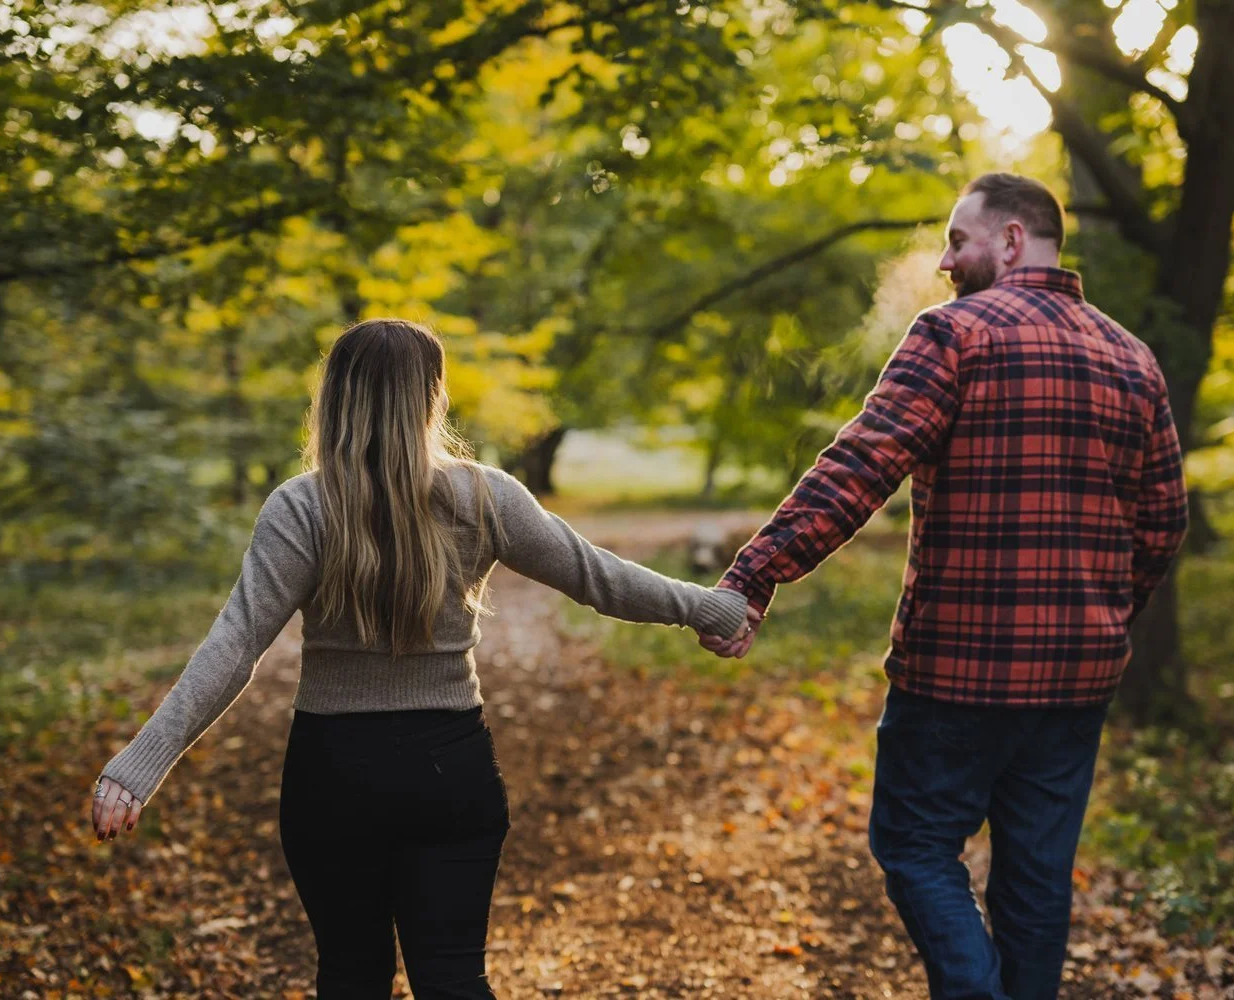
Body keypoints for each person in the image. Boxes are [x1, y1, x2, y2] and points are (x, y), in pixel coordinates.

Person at [90, 319, 752, 999]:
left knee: (351, 977)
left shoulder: (301, 507)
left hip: (333, 775)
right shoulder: (484, 496)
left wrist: (138, 767)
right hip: (449, 770)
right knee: (454, 979)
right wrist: (712, 607)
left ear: (335, 398)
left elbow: (234, 646)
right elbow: (600, 578)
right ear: (431, 397)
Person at [700, 173, 1190, 1000]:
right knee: (1036, 884)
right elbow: (1164, 523)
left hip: (957, 673)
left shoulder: (955, 334)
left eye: (958, 241)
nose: (942, 260)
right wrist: (1102, 617)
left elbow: (861, 467)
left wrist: (754, 576)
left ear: (1010, 240)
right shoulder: (1132, 358)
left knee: (916, 846)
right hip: (1075, 679)